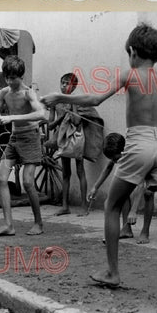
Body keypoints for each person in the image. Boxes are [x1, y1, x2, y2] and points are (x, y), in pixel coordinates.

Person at [42, 23, 157, 306]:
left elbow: (95, 98)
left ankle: (113, 272)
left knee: (112, 206)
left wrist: (61, 96)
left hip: (138, 142)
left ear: (132, 51)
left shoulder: (131, 75)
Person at [0, 55, 46, 237]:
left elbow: (42, 114)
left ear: (22, 76)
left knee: (28, 182)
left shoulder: (29, 93)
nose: (10, 81)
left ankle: (38, 223)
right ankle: (8, 225)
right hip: (14, 138)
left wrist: (11, 117)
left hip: (30, 138)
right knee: (1, 177)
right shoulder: (4, 92)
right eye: (7, 77)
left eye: (13, 78)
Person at [87, 133, 155, 243]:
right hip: (139, 165)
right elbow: (108, 167)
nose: (115, 162)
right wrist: (95, 187)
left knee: (149, 192)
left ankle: (145, 232)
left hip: (152, 164)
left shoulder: (134, 154)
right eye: (113, 160)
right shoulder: (119, 152)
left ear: (123, 151)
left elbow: (141, 184)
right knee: (123, 190)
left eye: (116, 159)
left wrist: (133, 211)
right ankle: (126, 229)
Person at [48, 72, 90, 216]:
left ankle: (84, 206)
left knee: (80, 171)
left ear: (74, 87)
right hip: (62, 139)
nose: (64, 86)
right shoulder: (55, 102)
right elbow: (50, 126)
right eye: (63, 83)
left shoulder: (76, 100)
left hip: (76, 137)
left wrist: (71, 103)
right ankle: (65, 206)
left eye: (68, 84)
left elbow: (77, 121)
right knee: (66, 173)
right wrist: (60, 118)